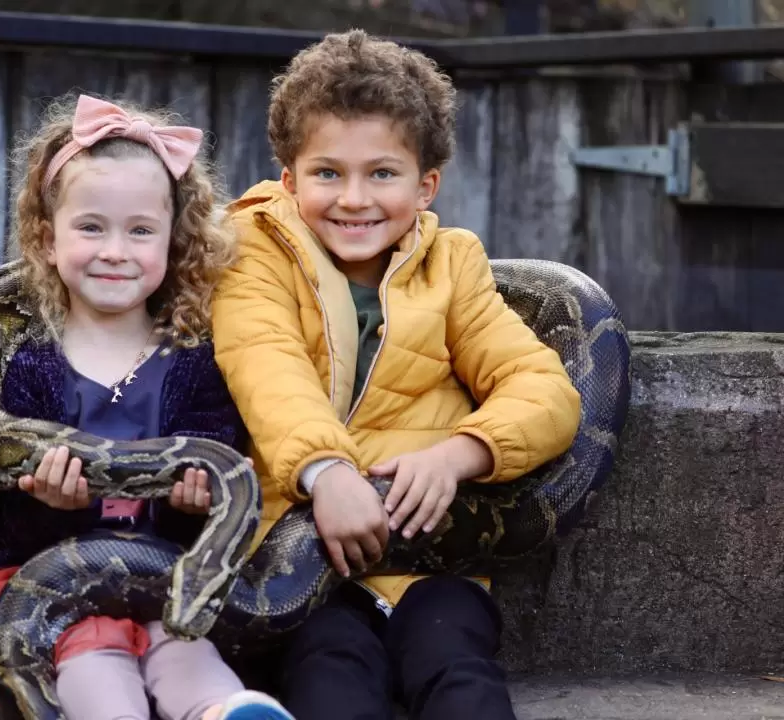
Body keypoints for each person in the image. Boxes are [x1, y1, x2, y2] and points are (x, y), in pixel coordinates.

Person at [211, 29, 582, 720]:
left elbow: (546, 390)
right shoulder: (251, 255)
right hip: (296, 558)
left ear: (424, 183)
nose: (354, 199)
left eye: (382, 173)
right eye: (328, 173)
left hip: (431, 565)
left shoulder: (453, 265)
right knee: (330, 677)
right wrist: (328, 472)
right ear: (289, 178)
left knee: (460, 672)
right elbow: (269, 372)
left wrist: (459, 453)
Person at [0, 93, 293, 720]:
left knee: (180, 637)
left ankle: (224, 712)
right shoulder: (32, 364)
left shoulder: (196, 360)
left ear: (176, 244)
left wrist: (193, 510)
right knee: (94, 642)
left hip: (163, 570)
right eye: (91, 227)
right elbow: (5, 524)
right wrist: (49, 506)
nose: (115, 250)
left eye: (141, 231)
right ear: (47, 240)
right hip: (44, 577)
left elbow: (219, 470)